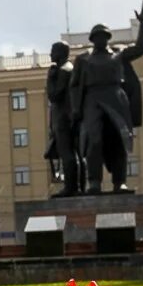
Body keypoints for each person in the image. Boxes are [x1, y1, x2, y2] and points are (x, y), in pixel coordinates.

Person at [69, 0, 143, 194]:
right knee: (94, 139)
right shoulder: (83, 59)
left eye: (104, 36)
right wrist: (75, 109)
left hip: (116, 98)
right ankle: (94, 182)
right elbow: (74, 86)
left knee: (119, 138)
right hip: (92, 99)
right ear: (92, 39)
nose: (101, 39)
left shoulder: (119, 53)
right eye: (97, 36)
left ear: (108, 37)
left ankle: (119, 181)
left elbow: (142, 48)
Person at [44, 41, 79, 197]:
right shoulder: (69, 68)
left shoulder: (64, 71)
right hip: (67, 117)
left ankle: (71, 187)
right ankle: (76, 186)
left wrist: (50, 79)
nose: (50, 54)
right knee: (72, 153)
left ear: (60, 52)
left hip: (64, 119)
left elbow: (54, 96)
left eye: (52, 50)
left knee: (67, 154)